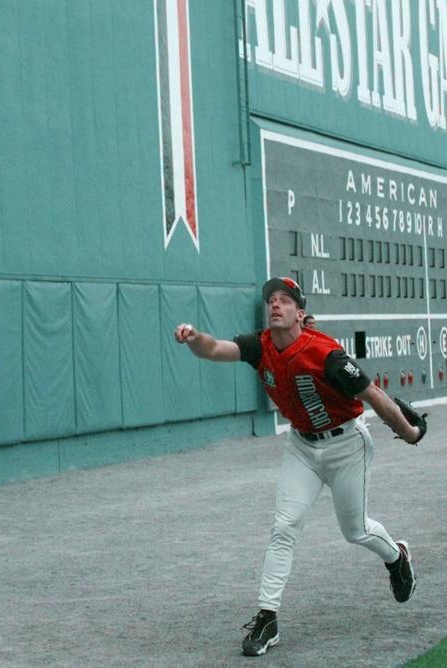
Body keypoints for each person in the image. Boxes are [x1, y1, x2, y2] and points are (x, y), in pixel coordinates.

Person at [174, 277, 424, 657]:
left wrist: (410, 432)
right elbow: (213, 349)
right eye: (271, 300)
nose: (275, 305)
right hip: (302, 446)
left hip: (346, 445)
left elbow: (373, 395)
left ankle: (397, 556)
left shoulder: (326, 354)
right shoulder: (259, 346)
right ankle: (267, 617)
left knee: (355, 531)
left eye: (285, 300)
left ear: (300, 313)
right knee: (284, 527)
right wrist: (194, 337)